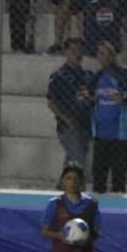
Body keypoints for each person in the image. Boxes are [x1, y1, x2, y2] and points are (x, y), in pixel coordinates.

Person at [90, 41, 127, 194]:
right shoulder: (96, 77)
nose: (105, 58)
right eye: (101, 54)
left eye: (109, 54)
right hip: (101, 134)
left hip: (120, 134)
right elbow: (88, 98)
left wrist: (125, 99)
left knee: (118, 176)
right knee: (98, 176)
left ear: (114, 56)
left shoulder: (126, 75)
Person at [47, 39, 94, 169]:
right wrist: (68, 121)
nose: (77, 54)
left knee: (74, 157)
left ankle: (64, 183)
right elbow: (51, 103)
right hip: (68, 126)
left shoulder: (88, 75)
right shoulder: (59, 76)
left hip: (85, 123)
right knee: (77, 157)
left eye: (80, 51)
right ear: (66, 52)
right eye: (73, 51)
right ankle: (74, 184)